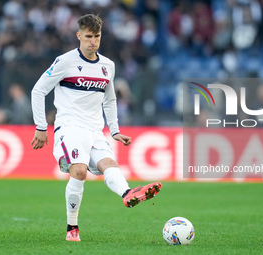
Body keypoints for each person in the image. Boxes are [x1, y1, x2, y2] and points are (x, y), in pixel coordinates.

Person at [30, 14, 162, 242]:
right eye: (88, 36)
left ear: (101, 36)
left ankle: (128, 193)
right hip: (69, 127)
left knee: (110, 165)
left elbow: (110, 100)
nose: (93, 41)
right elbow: (38, 90)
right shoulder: (65, 62)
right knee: (79, 172)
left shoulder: (107, 66)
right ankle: (72, 227)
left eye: (97, 36)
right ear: (79, 36)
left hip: (94, 130)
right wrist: (41, 127)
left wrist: (115, 130)